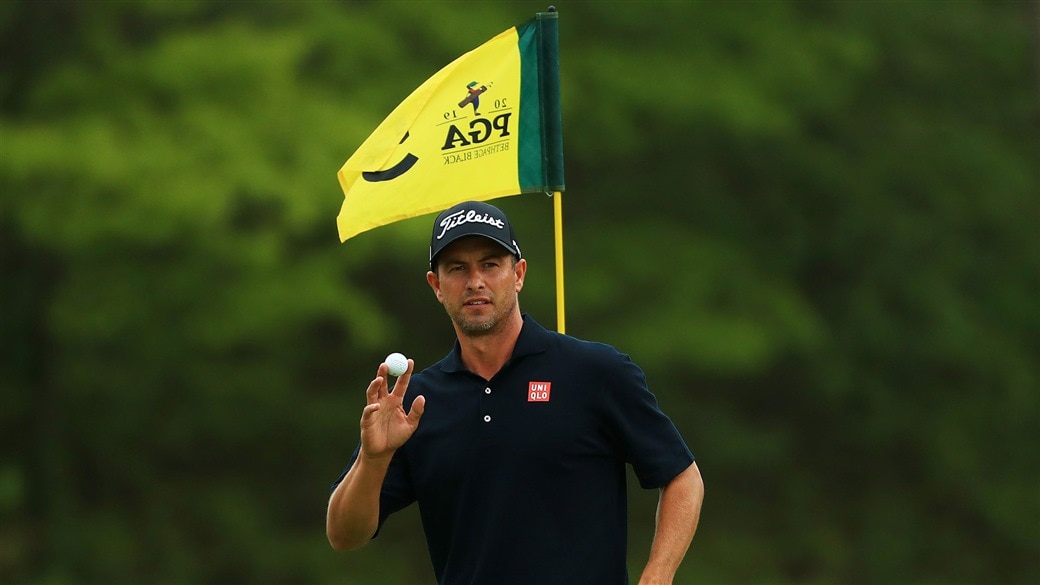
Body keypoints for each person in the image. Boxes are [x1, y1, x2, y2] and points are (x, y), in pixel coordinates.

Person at [327, 200, 704, 585]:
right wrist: (373, 460)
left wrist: (657, 575)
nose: (475, 280)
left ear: (518, 273)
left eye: (490, 264)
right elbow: (343, 535)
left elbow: (683, 478)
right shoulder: (414, 404)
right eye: (457, 268)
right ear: (436, 286)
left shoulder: (595, 372)